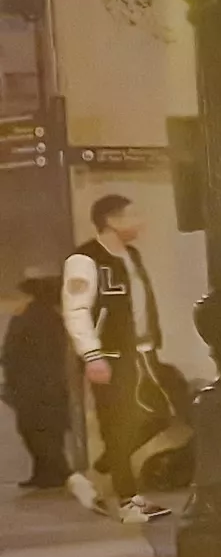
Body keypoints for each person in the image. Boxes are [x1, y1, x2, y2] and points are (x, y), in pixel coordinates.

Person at [63, 194, 169, 521]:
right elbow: (76, 309)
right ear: (111, 220)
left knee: (158, 414)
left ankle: (95, 473)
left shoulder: (131, 256)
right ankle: (127, 501)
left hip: (141, 352)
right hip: (109, 354)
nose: (141, 222)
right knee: (117, 424)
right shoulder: (84, 259)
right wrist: (92, 354)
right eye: (132, 215)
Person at [8, 273, 74, 491]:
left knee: (36, 430)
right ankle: (48, 473)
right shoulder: (52, 318)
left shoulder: (30, 317)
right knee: (47, 430)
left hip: (33, 384)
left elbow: (14, 350)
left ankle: (55, 473)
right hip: (47, 383)